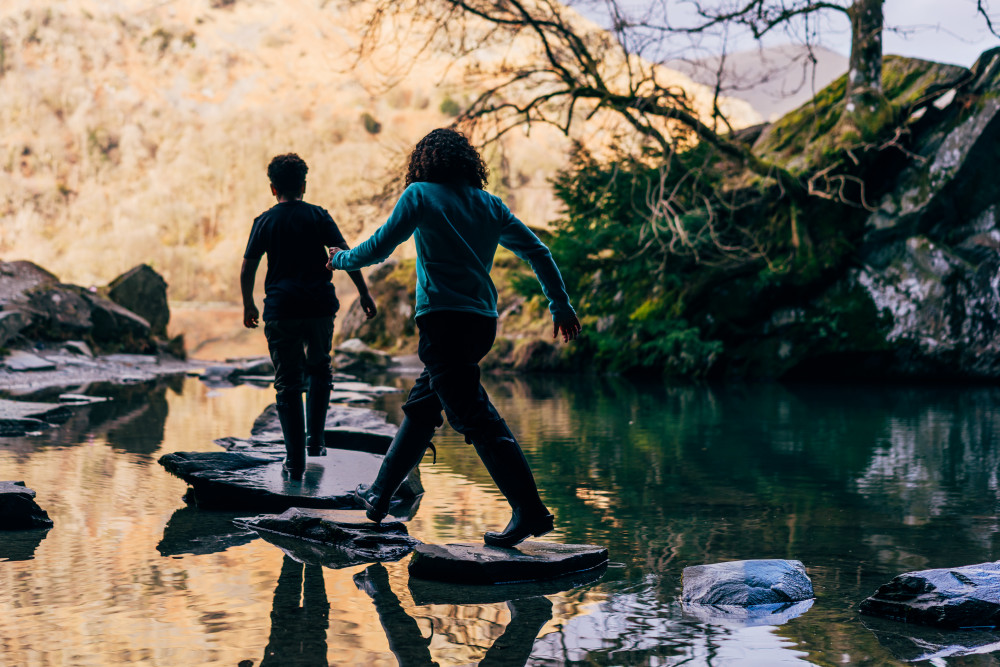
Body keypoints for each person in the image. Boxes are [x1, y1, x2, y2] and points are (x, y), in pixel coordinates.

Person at [327, 128, 581, 548]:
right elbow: (540, 252)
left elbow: (378, 249)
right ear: (468, 162)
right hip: (482, 323)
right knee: (423, 409)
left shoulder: (420, 195)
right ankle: (378, 496)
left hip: (443, 322)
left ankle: (530, 510)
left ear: (424, 162)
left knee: (475, 418)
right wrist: (560, 304)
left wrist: (341, 260)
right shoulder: (490, 204)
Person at [241, 153, 376, 480]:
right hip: (318, 308)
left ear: (273, 189)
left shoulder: (265, 221)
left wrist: (248, 304)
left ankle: (295, 461)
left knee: (288, 384)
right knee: (319, 368)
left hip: (281, 310)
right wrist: (363, 291)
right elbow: (345, 255)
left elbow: (248, 267)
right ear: (303, 185)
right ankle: (316, 441)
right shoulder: (318, 216)